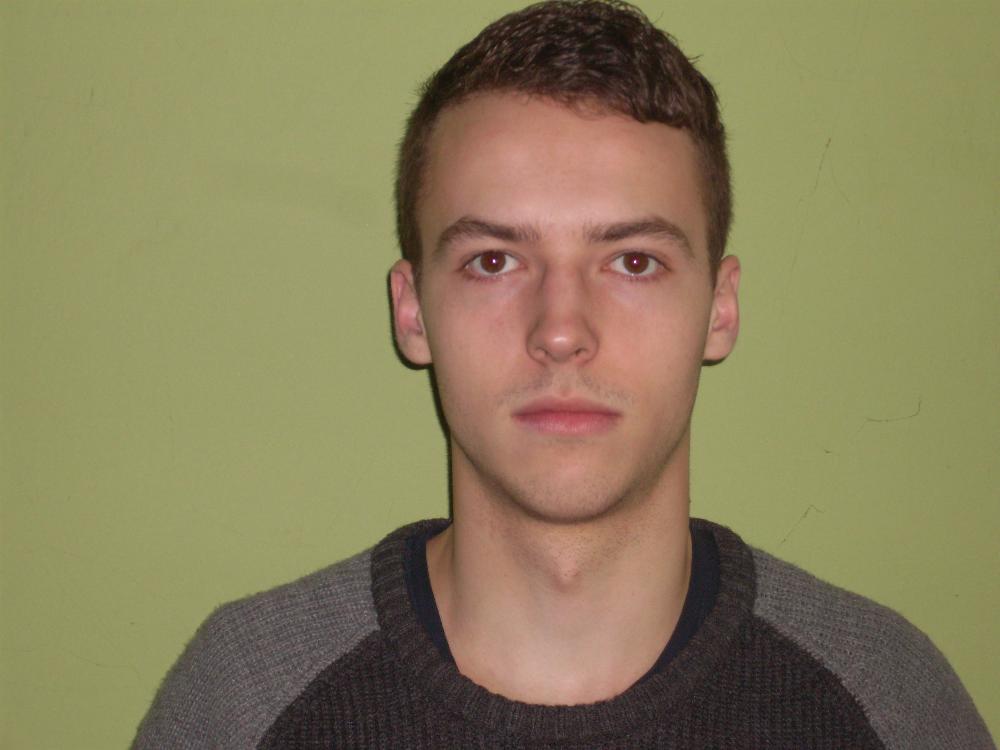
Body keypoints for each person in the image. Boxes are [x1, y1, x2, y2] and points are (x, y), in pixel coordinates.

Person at [132, 2, 993, 748]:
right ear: (413, 310)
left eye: (634, 262)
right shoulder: (247, 700)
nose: (560, 331)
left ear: (720, 308)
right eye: (494, 260)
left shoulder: (884, 702)